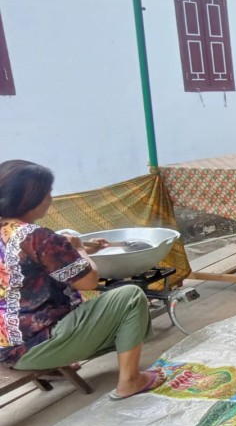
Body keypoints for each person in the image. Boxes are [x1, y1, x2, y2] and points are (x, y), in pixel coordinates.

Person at [0, 160, 160, 400]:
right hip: (36, 346)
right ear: (29, 199)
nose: (50, 199)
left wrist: (75, 248)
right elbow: (89, 282)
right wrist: (81, 252)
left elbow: (39, 266)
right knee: (130, 296)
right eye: (47, 193)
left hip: (7, 348)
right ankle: (130, 380)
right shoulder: (37, 237)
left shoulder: (11, 233)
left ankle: (58, 361)